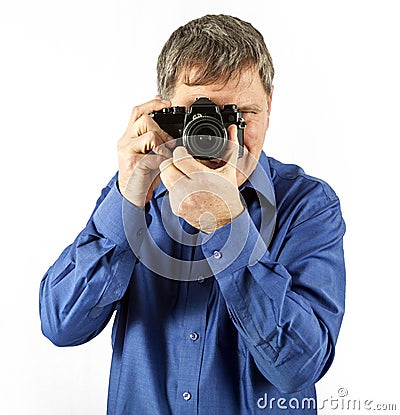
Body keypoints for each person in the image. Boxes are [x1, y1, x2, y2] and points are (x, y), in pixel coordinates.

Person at [39, 14, 346, 414]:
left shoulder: (306, 205)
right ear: (162, 113)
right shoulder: (139, 193)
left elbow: (299, 367)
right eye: (200, 116)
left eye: (241, 115)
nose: (219, 136)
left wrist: (227, 226)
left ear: (269, 106)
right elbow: (62, 324)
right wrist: (128, 198)